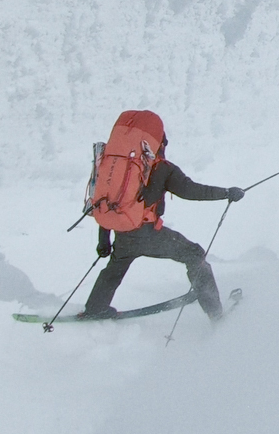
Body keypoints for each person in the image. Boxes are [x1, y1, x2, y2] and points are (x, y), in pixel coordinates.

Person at [82, 119, 244, 321]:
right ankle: (215, 313)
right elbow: (191, 191)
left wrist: (103, 239)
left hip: (123, 235)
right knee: (194, 253)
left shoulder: (116, 167)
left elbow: (106, 201)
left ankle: (96, 307)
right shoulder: (163, 168)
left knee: (115, 268)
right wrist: (227, 193)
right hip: (149, 235)